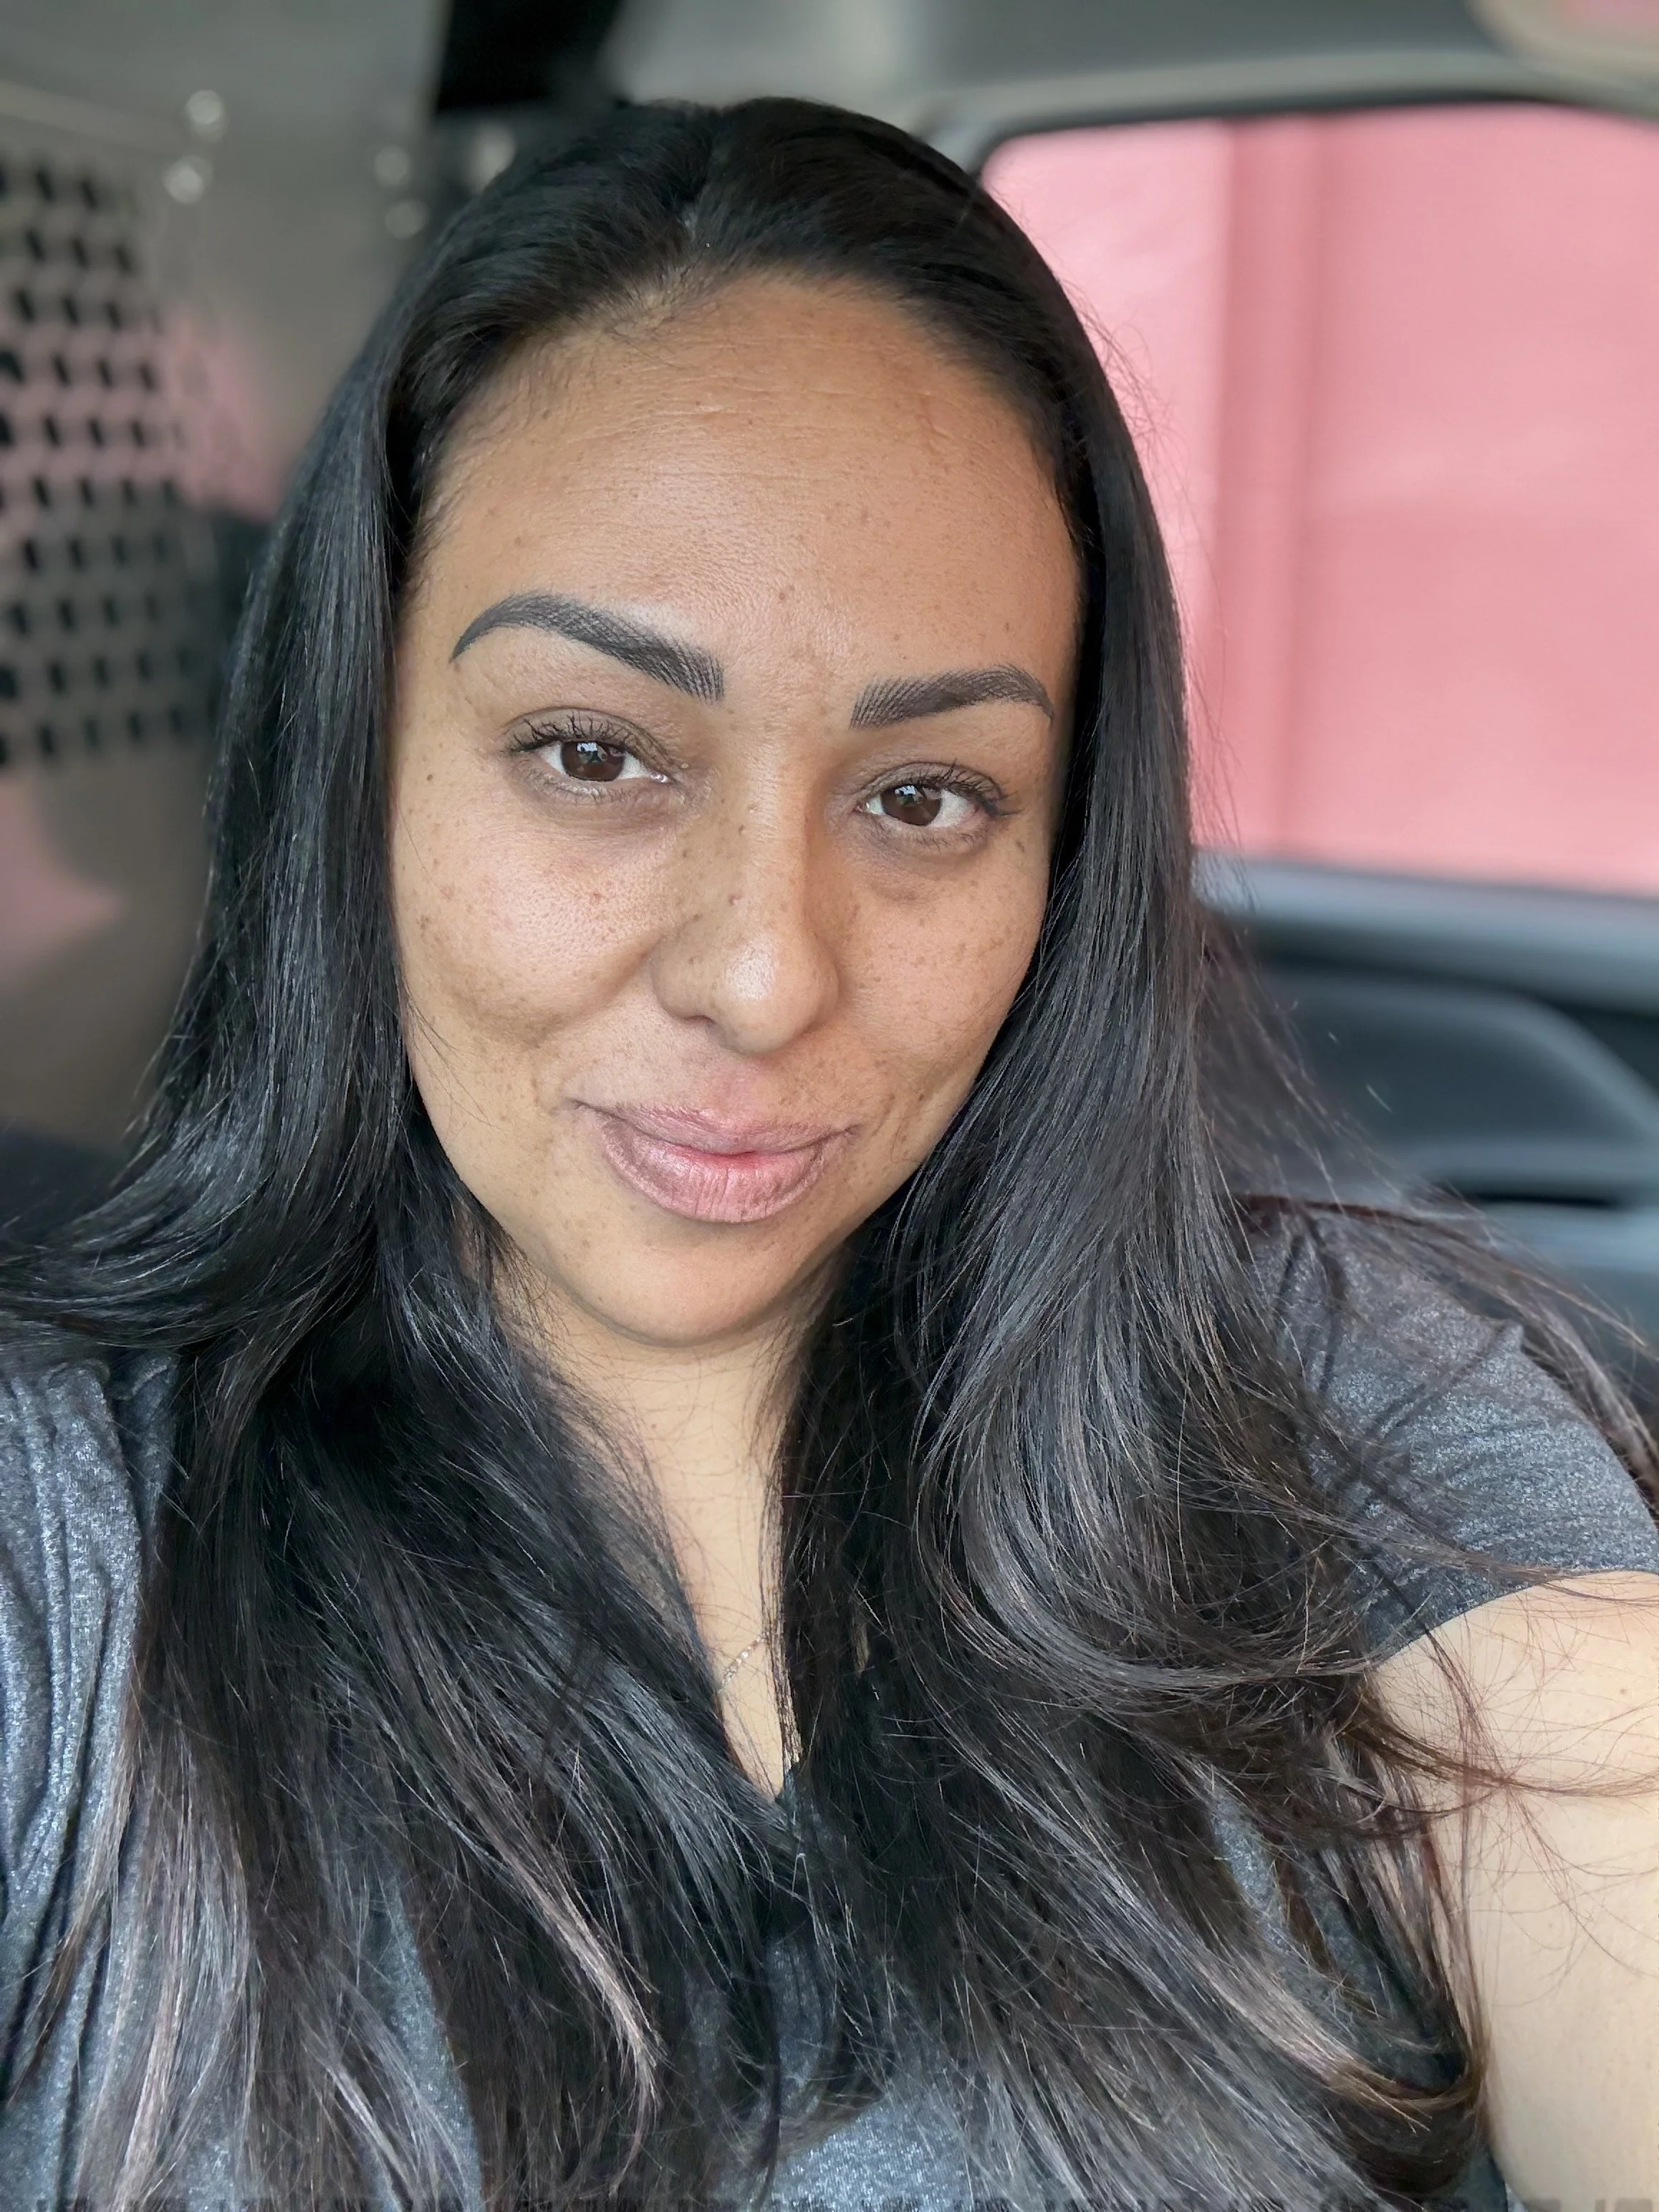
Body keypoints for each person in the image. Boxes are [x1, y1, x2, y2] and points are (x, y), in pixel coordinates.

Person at [0, 97, 1653, 2212]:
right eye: (594, 756)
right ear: (363, 758)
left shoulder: (1346, 1409)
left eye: (926, 797)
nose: (769, 976)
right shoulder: (73, 1561)